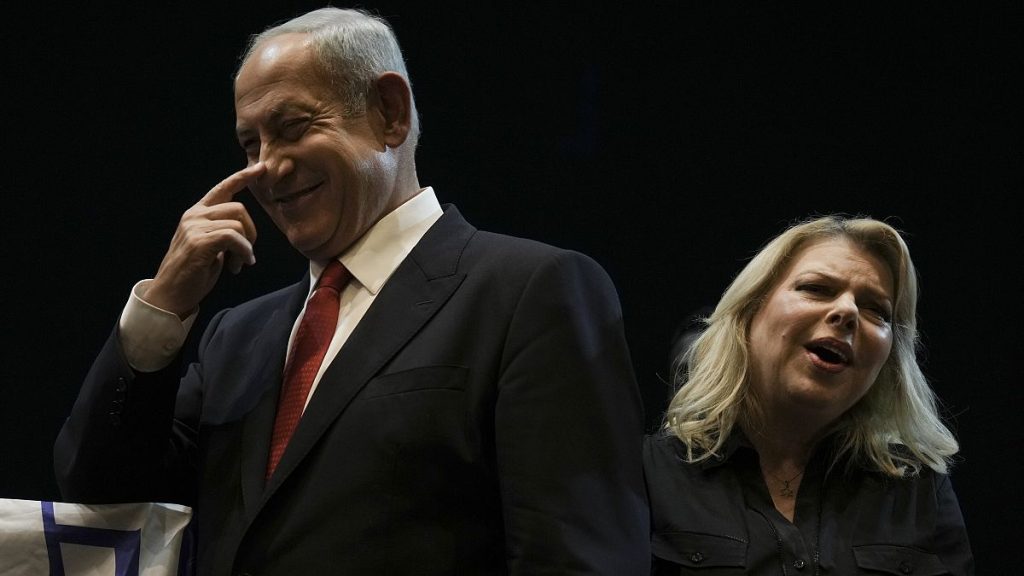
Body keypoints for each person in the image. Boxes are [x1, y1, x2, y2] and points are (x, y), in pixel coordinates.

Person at [54, 8, 649, 575]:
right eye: (250, 144)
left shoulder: (528, 292)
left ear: (390, 113)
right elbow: (100, 494)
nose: (267, 168)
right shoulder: (236, 338)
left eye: (291, 128)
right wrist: (162, 307)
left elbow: (575, 555)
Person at [644, 216, 973, 575]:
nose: (847, 312)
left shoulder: (919, 491)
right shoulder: (647, 475)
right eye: (816, 288)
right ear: (748, 313)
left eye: (876, 310)